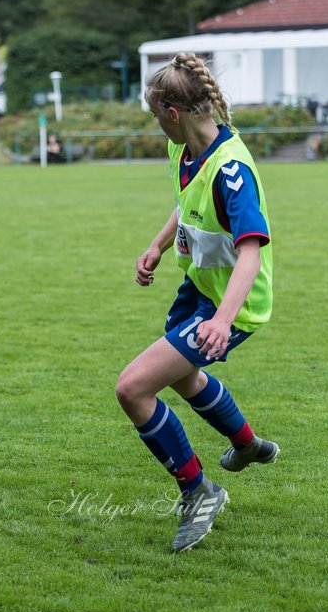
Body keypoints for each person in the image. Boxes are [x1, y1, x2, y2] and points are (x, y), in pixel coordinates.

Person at [115, 52, 279, 553]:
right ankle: (247, 444)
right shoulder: (185, 148)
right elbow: (184, 203)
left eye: (153, 115)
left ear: (171, 111)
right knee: (182, 376)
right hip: (199, 291)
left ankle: (199, 493)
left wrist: (224, 320)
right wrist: (157, 245)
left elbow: (250, 251)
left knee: (133, 388)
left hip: (230, 303)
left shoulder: (232, 170)